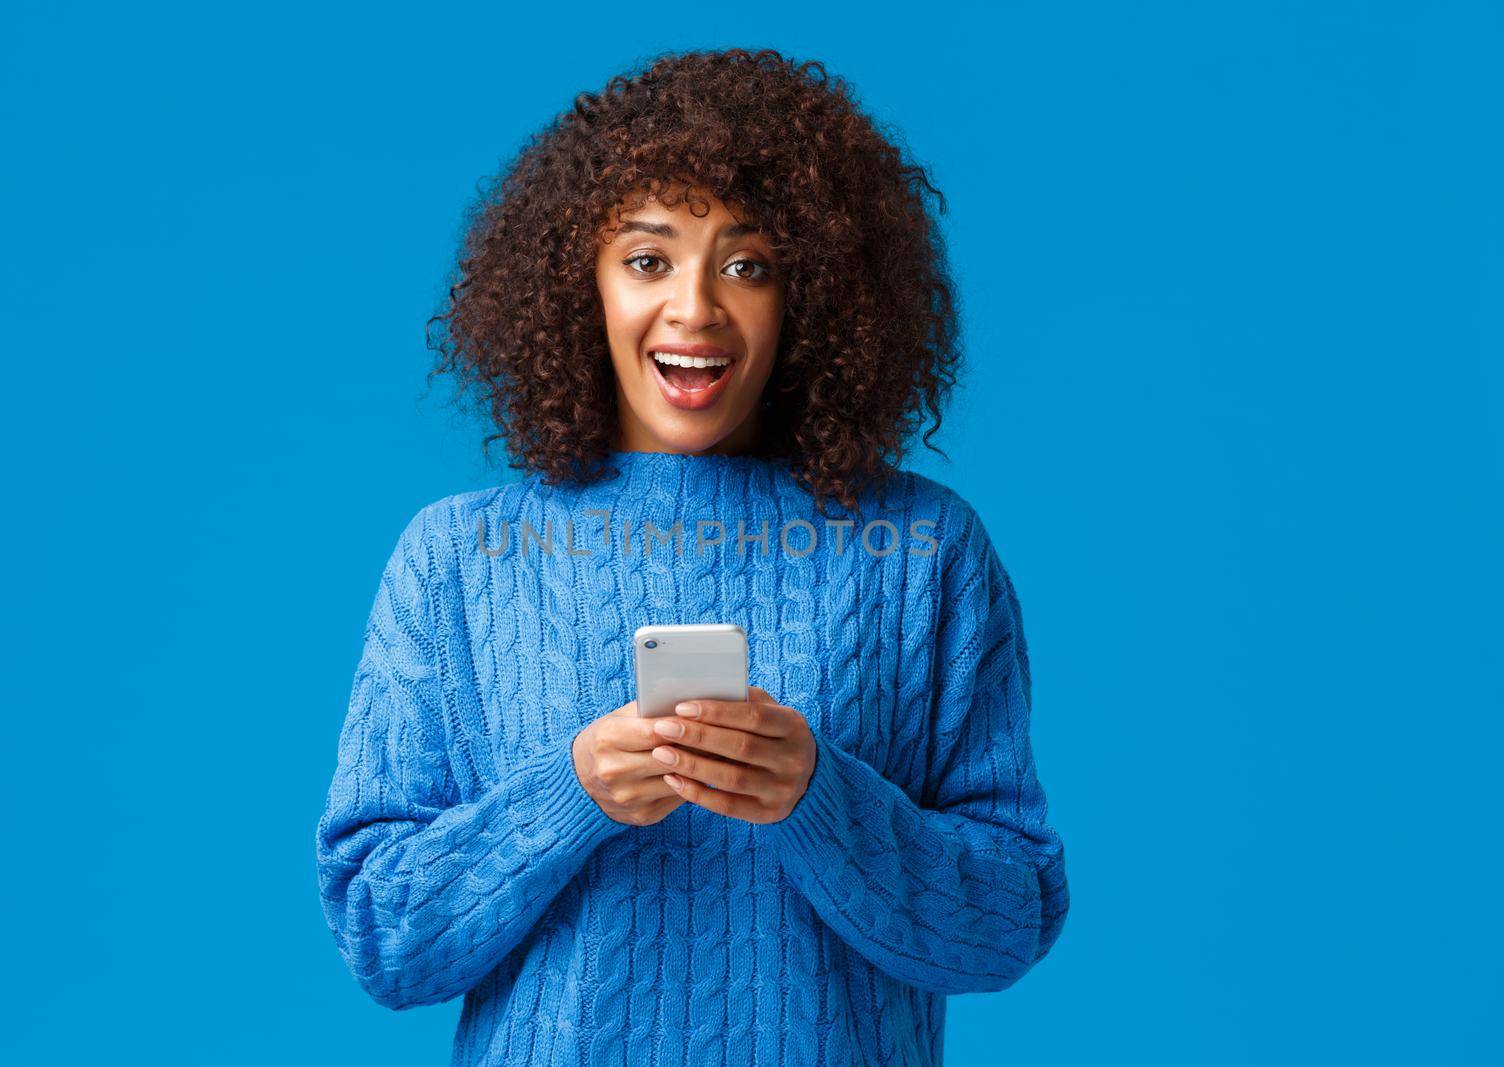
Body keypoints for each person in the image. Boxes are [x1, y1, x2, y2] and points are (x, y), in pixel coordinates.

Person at [315, 47, 1068, 1067]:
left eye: (747, 264)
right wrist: (569, 794)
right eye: (648, 257)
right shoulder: (459, 555)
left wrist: (820, 799)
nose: (696, 308)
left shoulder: (922, 552)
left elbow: (1007, 922)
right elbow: (380, 936)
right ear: (576, 282)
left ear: (814, 296)